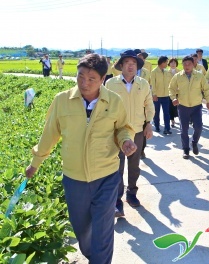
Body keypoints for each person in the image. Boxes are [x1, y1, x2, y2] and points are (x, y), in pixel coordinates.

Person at [25, 54, 137, 263]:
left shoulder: (113, 101)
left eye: (91, 79)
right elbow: (49, 134)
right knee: (82, 228)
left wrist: (125, 141)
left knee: (103, 229)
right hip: (74, 178)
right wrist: (35, 163)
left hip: (106, 175)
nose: (84, 83)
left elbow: (122, 128)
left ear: (103, 78)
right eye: (80, 77)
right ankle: (92, 255)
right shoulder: (62, 100)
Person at [105, 50, 154, 216]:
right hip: (117, 133)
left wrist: (149, 124)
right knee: (117, 168)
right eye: (127, 63)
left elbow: (149, 105)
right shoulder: (111, 84)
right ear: (121, 66)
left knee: (134, 167)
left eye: (133, 63)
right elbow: (105, 107)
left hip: (138, 131)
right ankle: (117, 201)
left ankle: (131, 193)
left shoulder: (143, 84)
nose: (131, 65)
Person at [169, 55, 209, 159]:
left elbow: (206, 89)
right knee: (184, 129)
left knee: (198, 127)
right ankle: (185, 150)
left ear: (193, 64)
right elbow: (171, 88)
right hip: (183, 106)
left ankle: (194, 142)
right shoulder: (178, 76)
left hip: (196, 106)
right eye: (185, 64)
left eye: (189, 64)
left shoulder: (199, 75)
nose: (187, 66)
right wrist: (173, 98)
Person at [151, 56, 173, 134]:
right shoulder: (154, 72)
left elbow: (170, 83)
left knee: (166, 113)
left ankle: (167, 128)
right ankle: (157, 126)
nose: (167, 64)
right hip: (157, 96)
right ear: (162, 62)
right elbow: (152, 84)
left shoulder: (167, 72)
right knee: (156, 112)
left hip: (166, 95)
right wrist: (154, 94)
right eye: (166, 62)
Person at [168, 58, 180, 127]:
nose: (173, 64)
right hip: (170, 93)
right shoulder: (166, 72)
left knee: (179, 107)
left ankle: (181, 119)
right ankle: (172, 120)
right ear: (169, 64)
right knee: (171, 107)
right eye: (171, 63)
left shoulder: (180, 72)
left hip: (178, 92)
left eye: (174, 63)